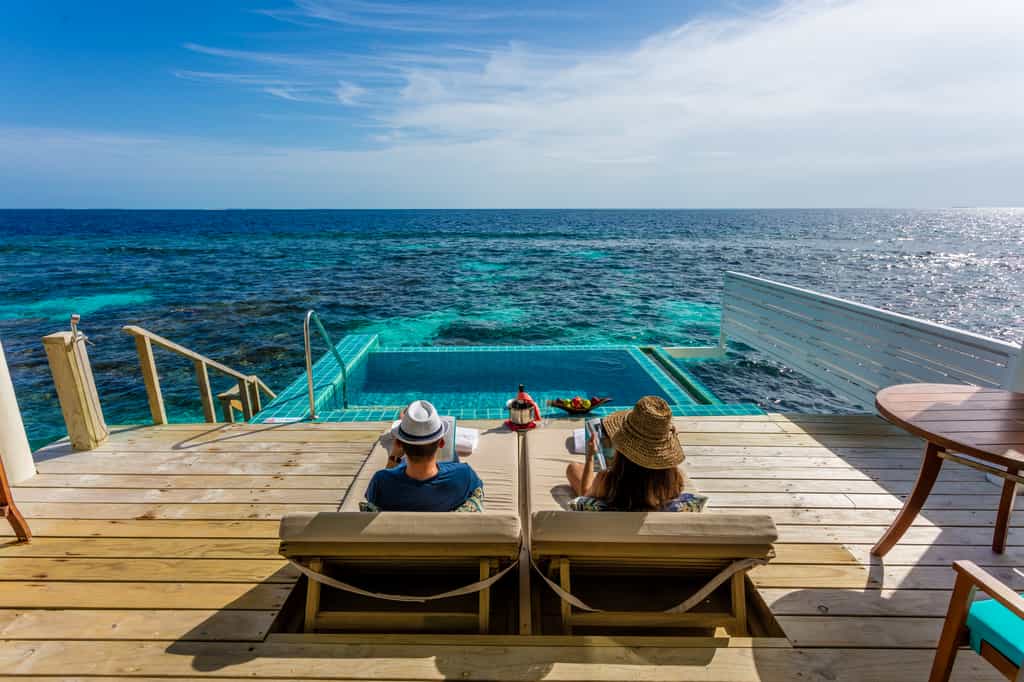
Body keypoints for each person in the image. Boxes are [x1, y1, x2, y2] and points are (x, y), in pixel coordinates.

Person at [566, 395, 686, 511]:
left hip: (613, 517)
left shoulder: (608, 482)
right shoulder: (673, 481)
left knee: (573, 468)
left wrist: (590, 458)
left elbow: (584, 496)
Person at [365, 399, 483, 512]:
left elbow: (374, 502)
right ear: (441, 443)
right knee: (453, 457)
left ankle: (408, 424)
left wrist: (394, 457)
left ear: (398, 443)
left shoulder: (381, 481)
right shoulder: (465, 475)